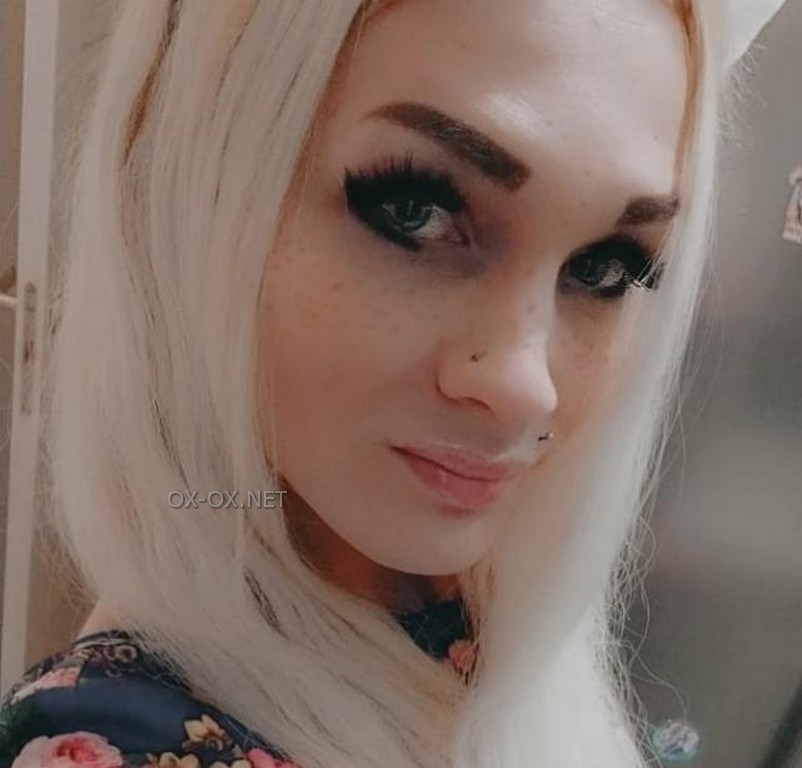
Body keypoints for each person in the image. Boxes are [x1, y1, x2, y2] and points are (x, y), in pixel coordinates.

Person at [0, 1, 784, 767]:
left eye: (605, 266)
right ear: (199, 189)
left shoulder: (472, 589)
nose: (527, 388)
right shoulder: (115, 738)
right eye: (417, 210)